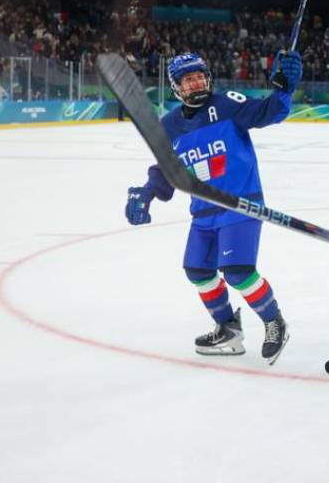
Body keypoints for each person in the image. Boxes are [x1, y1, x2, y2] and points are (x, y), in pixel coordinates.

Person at [124, 50, 301, 364]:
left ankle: (275, 322)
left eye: (200, 75)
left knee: (238, 272)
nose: (196, 82)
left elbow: (267, 112)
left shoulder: (227, 104)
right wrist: (147, 193)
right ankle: (228, 329)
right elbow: (167, 170)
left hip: (241, 206)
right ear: (177, 87)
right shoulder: (169, 126)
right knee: (198, 271)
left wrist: (284, 90)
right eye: (188, 79)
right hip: (203, 213)